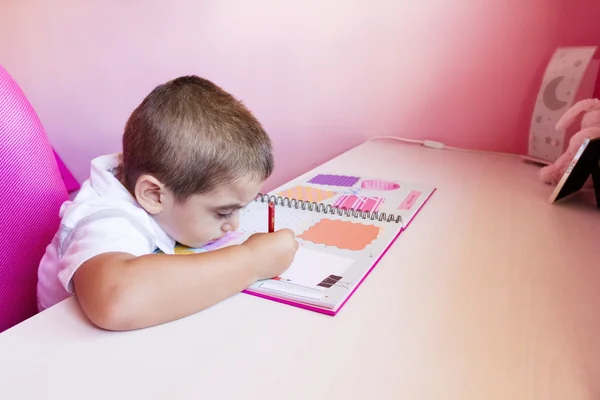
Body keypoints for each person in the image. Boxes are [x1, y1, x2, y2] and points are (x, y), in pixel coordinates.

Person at [37, 75, 299, 331]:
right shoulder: (105, 218)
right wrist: (252, 261)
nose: (234, 225)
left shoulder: (159, 186)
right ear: (154, 195)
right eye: (223, 213)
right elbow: (116, 299)